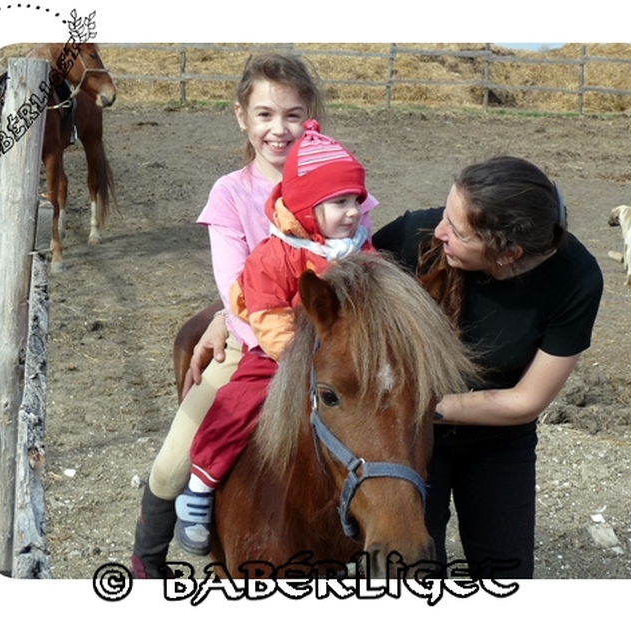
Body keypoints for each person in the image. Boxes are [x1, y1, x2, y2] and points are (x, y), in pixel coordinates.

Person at [130, 53, 378, 579]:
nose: (278, 128)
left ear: (310, 116)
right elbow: (235, 287)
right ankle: (146, 562)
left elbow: (365, 271)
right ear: (242, 116)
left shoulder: (341, 187)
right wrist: (279, 347)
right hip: (255, 345)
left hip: (336, 352)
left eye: (292, 115)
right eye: (265, 114)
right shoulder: (231, 193)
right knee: (172, 463)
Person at [371, 156, 604, 578]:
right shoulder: (412, 236)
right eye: (446, 214)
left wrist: (425, 404)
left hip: (498, 439)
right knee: (408, 571)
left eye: (457, 232)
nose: (439, 231)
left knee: (506, 575)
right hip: (408, 434)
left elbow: (525, 401)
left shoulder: (575, 278)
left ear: (507, 253)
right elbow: (326, 286)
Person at [174, 120, 375, 555]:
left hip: (343, 353)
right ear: (306, 207)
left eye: (355, 201)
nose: (352, 212)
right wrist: (298, 359)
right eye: (339, 202)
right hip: (278, 355)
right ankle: (200, 486)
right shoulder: (275, 254)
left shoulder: (358, 248)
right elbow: (266, 315)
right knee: (236, 405)